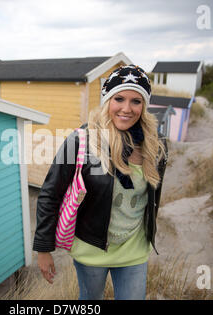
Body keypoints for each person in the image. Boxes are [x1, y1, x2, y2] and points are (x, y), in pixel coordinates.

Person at [33, 64, 168, 300]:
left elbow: (152, 199)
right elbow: (50, 194)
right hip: (91, 250)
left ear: (144, 106)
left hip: (134, 251)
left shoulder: (157, 146)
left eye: (136, 101)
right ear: (107, 100)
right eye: (119, 98)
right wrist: (43, 249)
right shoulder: (81, 141)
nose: (127, 108)